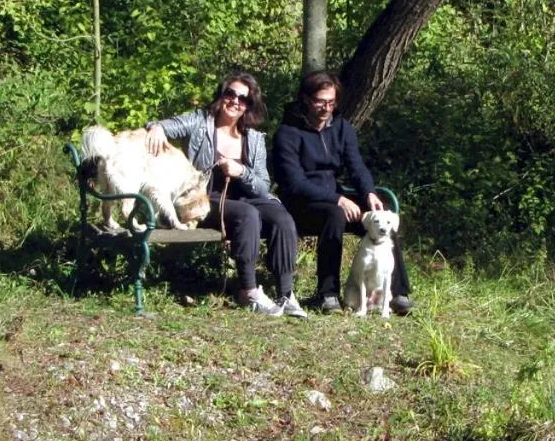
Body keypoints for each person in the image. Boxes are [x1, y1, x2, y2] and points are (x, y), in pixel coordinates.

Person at [146, 72, 307, 317]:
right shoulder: (201, 122)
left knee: (282, 218)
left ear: (249, 106)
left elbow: (263, 185)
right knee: (248, 214)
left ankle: (286, 294)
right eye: (230, 94)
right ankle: (248, 290)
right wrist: (156, 127)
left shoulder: (254, 138)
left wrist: (241, 171)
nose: (235, 101)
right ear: (221, 96)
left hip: (246, 197)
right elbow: (169, 125)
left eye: (243, 99)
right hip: (203, 200)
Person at [271, 71, 413, 315]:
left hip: (336, 195)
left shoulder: (341, 127)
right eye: (320, 101)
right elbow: (294, 183)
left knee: (382, 214)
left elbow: (356, 166)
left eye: (331, 102)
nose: (326, 108)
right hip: (299, 203)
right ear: (306, 99)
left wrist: (368, 193)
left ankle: (397, 292)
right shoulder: (287, 133)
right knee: (335, 214)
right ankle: (327, 293)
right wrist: (337, 198)